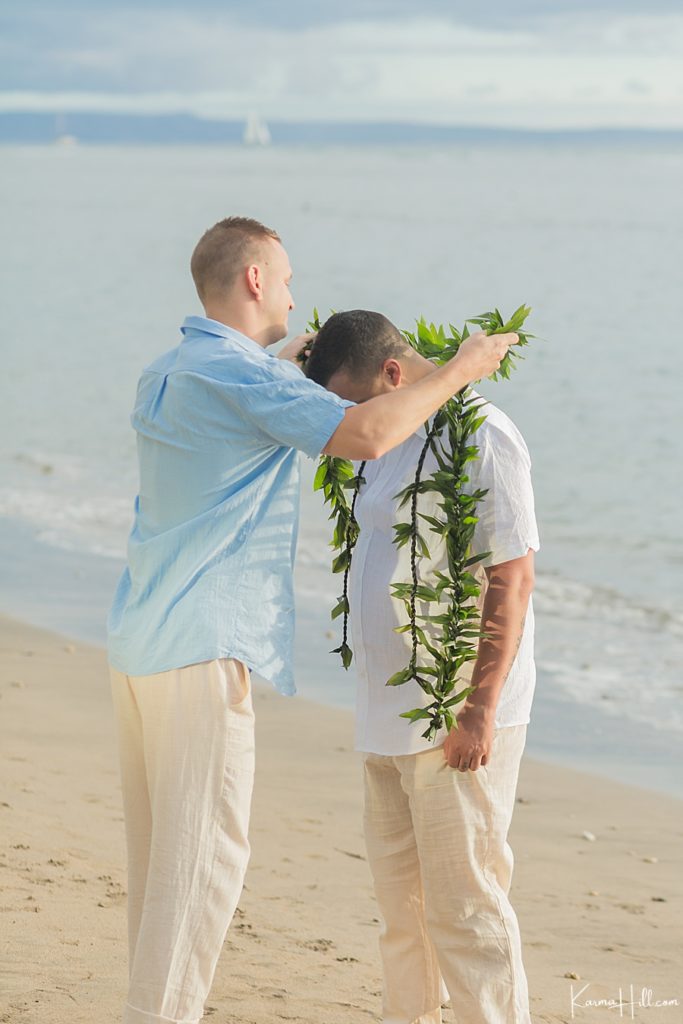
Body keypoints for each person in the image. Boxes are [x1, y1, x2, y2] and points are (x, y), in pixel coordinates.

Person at [106, 217, 516, 1024]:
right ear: (256, 280)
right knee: (203, 868)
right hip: (201, 647)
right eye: (286, 280)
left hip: (138, 646)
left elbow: (253, 395)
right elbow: (365, 434)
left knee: (161, 868)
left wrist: (282, 360)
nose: (294, 295)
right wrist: (463, 368)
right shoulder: (238, 374)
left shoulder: (174, 368)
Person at [304, 309, 539, 1024]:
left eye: (353, 401)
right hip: (384, 709)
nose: (348, 421)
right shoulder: (386, 432)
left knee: (465, 908)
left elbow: (512, 575)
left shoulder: (481, 434)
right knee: (400, 912)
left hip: (452, 718)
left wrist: (477, 711)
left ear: (394, 375)